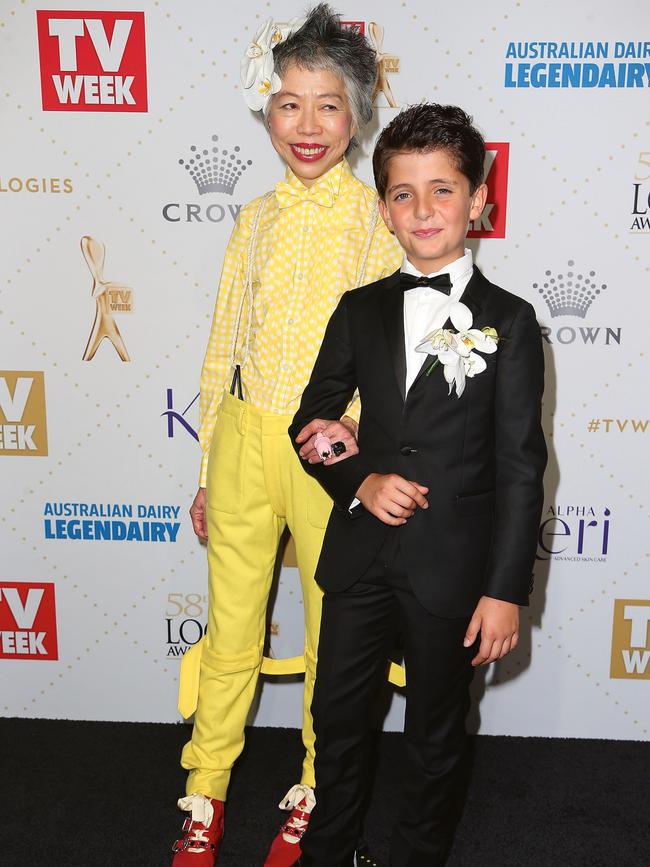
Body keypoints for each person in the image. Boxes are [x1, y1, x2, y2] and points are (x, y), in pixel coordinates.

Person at [170, 6, 403, 866]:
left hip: (331, 453)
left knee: (331, 637)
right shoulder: (252, 220)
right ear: (266, 114)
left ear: (358, 112)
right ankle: (205, 792)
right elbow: (219, 351)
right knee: (231, 631)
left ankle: (313, 791)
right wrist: (205, 468)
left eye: (328, 105)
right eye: (288, 105)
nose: (307, 126)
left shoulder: (378, 221)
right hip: (240, 445)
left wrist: (360, 451)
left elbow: (388, 362)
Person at [289, 103, 547, 866]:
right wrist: (360, 479)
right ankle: (329, 849)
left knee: (434, 732)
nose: (424, 209)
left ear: (478, 202)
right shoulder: (359, 309)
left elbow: (520, 466)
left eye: (443, 190)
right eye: (404, 193)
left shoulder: (513, 320)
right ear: (384, 210)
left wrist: (506, 590)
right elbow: (313, 419)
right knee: (336, 718)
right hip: (360, 557)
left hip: (455, 569)